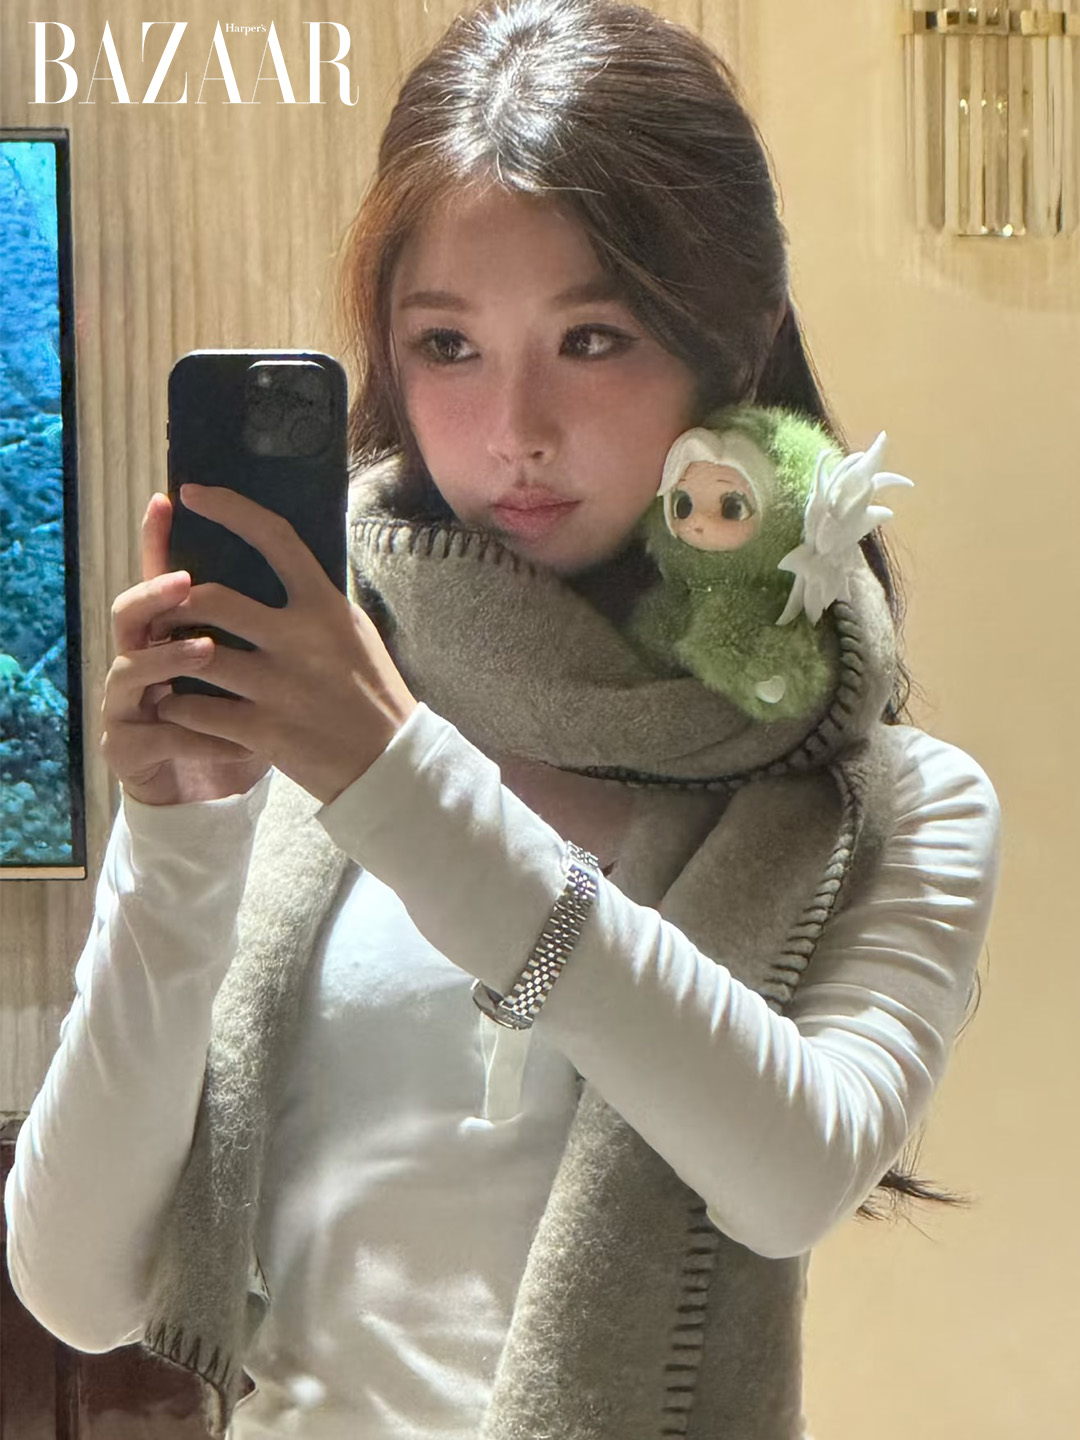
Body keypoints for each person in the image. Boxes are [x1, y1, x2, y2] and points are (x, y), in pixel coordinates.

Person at [4, 2, 1000, 1437]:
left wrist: (389, 771)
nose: (517, 427)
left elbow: (792, 1172)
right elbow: (79, 1289)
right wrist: (178, 836)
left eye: (592, 337)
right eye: (448, 344)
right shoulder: (286, 731)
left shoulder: (890, 804)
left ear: (738, 346)